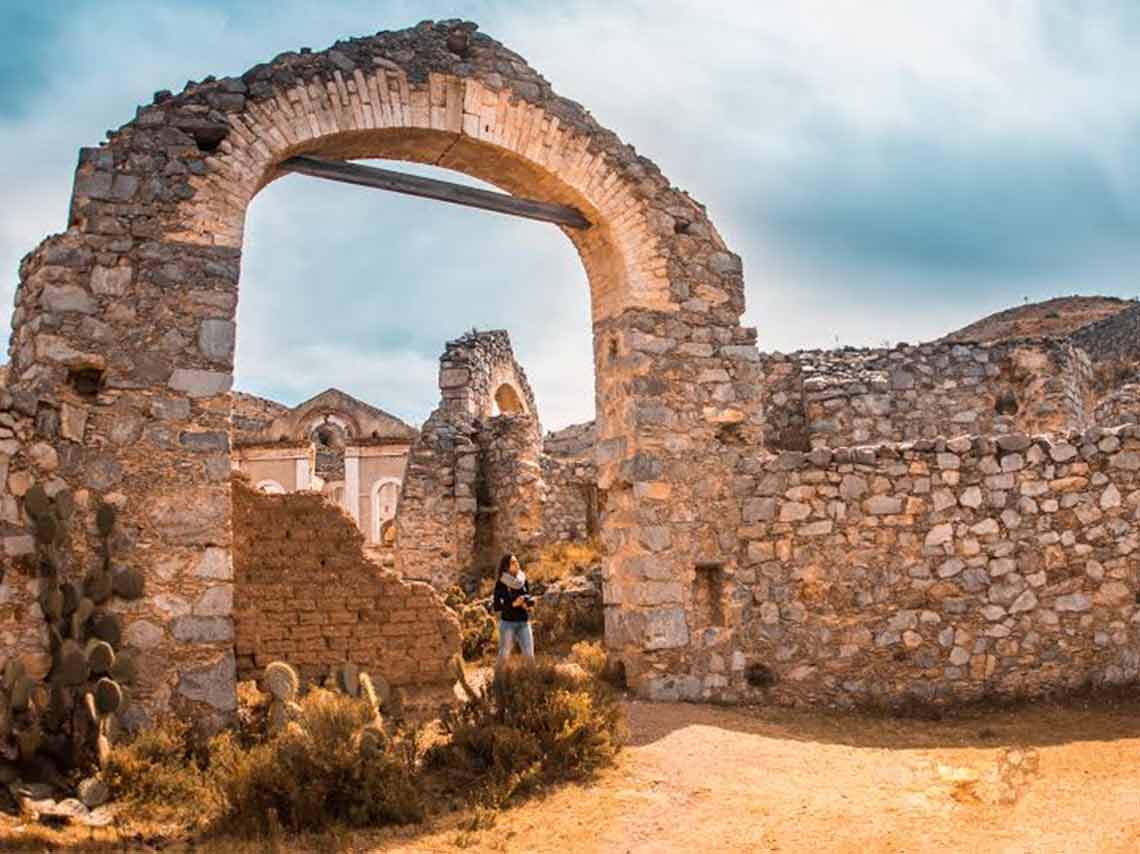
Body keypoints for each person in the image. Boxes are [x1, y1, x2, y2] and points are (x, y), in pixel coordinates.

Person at [492, 552, 535, 666]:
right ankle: (498, 682)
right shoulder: (501, 583)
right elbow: (497, 606)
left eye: (516, 561)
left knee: (529, 655)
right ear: (506, 567)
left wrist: (527, 602)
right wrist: (513, 604)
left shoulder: (522, 579)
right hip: (508, 624)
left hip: (524, 622)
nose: (517, 564)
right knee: (504, 656)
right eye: (513, 562)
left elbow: (528, 595)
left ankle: (532, 682)